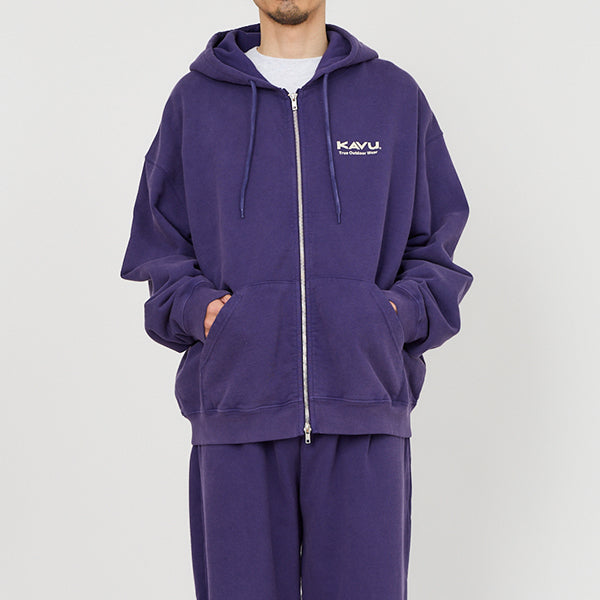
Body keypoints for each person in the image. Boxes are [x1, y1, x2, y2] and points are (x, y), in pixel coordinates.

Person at [120, 1, 474, 598]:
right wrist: (205, 313)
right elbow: (159, 247)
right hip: (236, 411)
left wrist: (392, 317)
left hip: (364, 407)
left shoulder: (393, 97)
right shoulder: (195, 102)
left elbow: (435, 245)